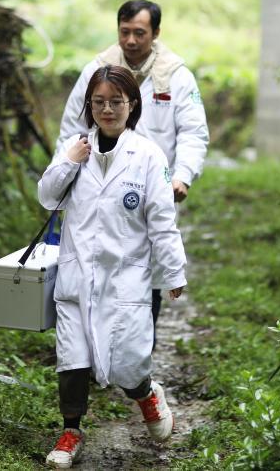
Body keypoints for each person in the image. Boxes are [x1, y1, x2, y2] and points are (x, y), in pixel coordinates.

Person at [40, 65, 187, 469]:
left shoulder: (148, 156)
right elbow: (47, 198)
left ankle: (146, 393)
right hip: (76, 276)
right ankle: (70, 431)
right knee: (73, 358)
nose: (107, 109)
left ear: (131, 105)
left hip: (125, 279)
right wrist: (68, 162)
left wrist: (173, 272)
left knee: (128, 362)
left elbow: (161, 220)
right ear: (90, 106)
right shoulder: (76, 147)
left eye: (116, 102)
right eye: (99, 102)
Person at [56, 0, 208, 334]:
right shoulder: (97, 71)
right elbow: (70, 130)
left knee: (148, 265)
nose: (131, 41)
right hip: (99, 183)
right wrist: (64, 175)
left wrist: (182, 177)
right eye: (125, 32)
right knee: (95, 262)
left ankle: (138, 353)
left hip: (151, 187)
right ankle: (93, 349)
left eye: (140, 33)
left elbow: (194, 133)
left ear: (156, 32)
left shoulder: (176, 76)